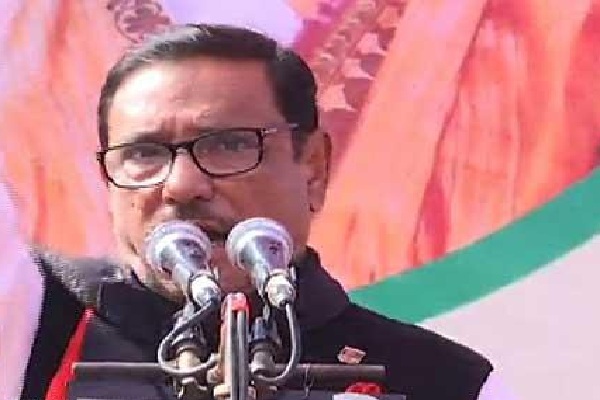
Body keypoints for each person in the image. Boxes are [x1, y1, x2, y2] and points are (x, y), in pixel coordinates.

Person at [18, 24, 511, 400]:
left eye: (229, 144)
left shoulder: (442, 381)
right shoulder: (34, 323)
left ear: (313, 167)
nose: (182, 185)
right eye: (144, 154)